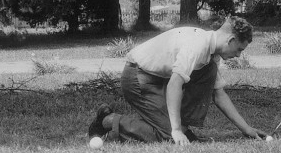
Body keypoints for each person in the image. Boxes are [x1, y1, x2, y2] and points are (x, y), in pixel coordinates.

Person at [88, 17, 268, 145]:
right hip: (137, 78)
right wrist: (174, 130)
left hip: (157, 79)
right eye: (239, 49)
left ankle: (180, 127)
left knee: (209, 71)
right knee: (168, 135)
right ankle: (109, 121)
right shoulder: (197, 46)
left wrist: (247, 129)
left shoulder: (212, 54)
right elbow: (175, 84)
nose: (238, 55)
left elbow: (218, 94)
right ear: (230, 39)